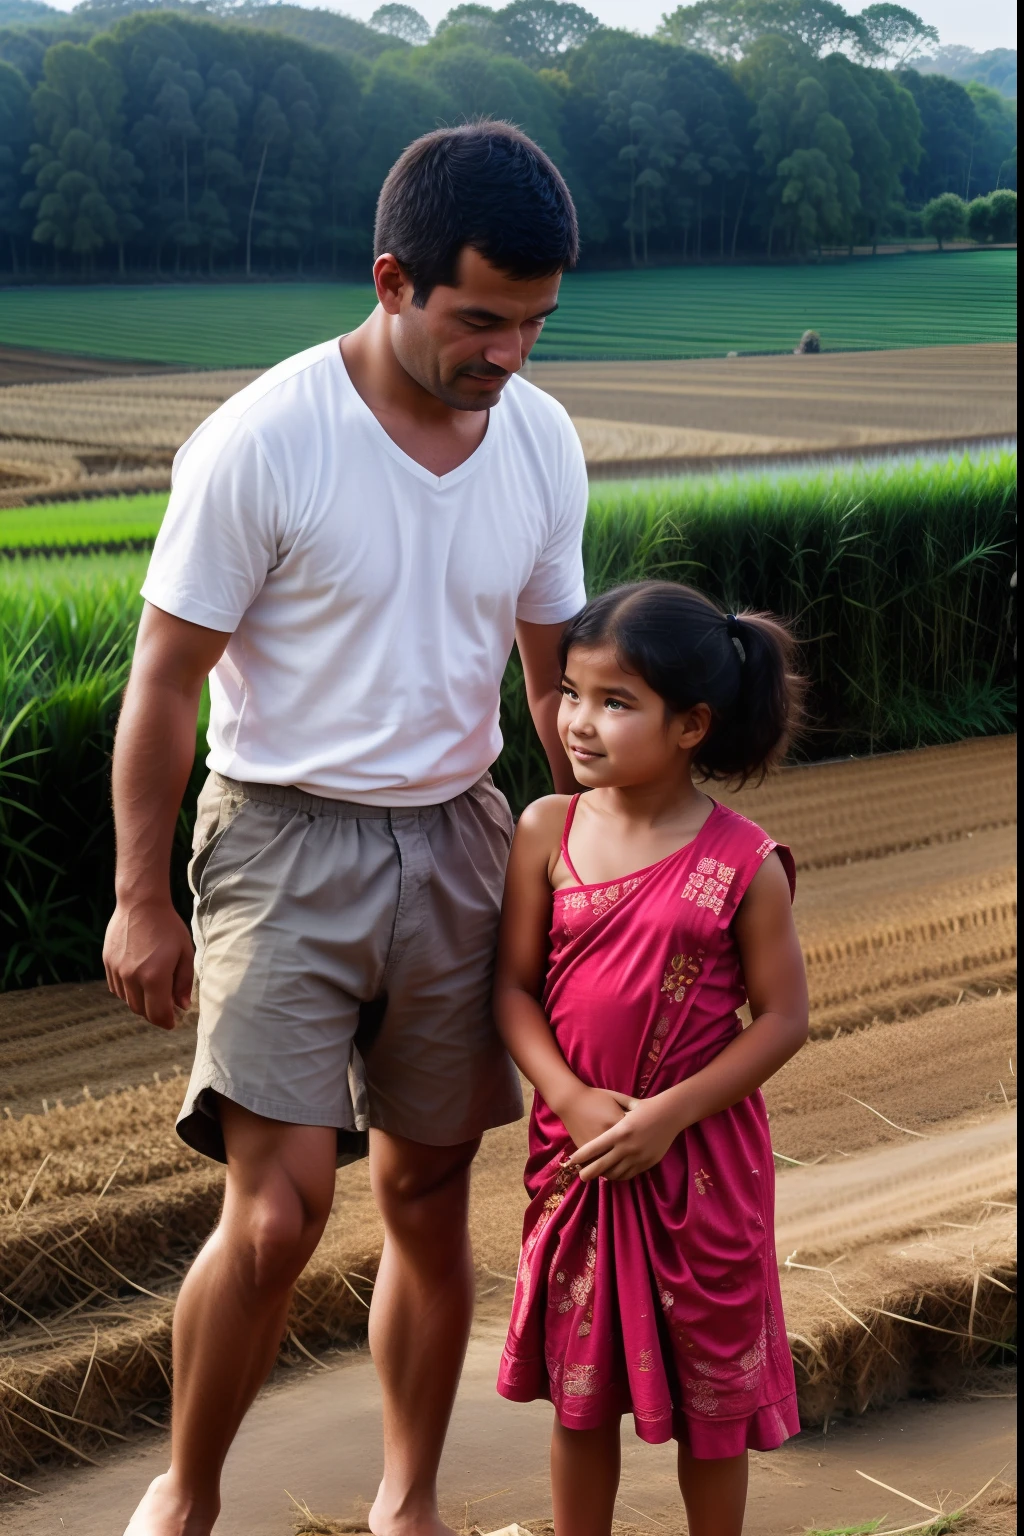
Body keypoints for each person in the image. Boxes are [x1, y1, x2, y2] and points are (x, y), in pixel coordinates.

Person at [102, 120, 587, 1536]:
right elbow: (165, 683)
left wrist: (615, 852)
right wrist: (143, 897)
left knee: (432, 1198)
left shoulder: (542, 439)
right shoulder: (264, 440)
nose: (511, 356)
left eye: (537, 324)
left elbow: (553, 682)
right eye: (482, 320)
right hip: (280, 839)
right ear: (392, 280)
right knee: (279, 1214)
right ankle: (185, 1500)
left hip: (458, 841)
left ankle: (407, 1504)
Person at [493, 580, 810, 1536]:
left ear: (691, 725)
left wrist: (667, 1114)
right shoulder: (546, 829)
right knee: (579, 1393)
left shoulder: (743, 861)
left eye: (616, 702)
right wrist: (572, 1097)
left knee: (712, 1409)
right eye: (572, 693)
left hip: (699, 1168)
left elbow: (783, 1018)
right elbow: (510, 989)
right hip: (579, 1155)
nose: (579, 722)